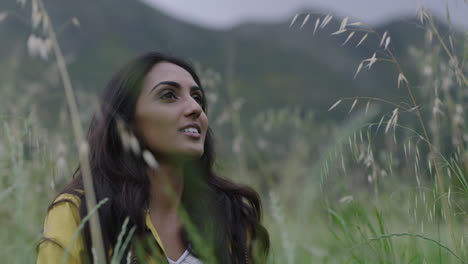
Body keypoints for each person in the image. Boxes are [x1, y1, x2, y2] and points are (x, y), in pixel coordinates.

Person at [36, 52, 269, 264]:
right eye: (169, 95)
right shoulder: (81, 214)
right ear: (127, 121)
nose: (195, 108)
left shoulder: (231, 215)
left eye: (197, 97)